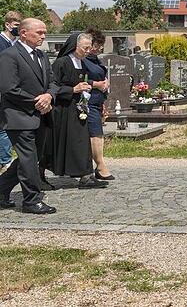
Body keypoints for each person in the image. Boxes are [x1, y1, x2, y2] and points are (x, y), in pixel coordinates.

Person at [0, 18, 59, 214]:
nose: (43, 36)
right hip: (19, 116)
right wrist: (38, 101)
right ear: (23, 33)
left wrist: (49, 95)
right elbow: (9, 89)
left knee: (31, 158)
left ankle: (1, 189)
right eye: (39, 32)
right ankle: (31, 200)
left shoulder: (41, 55)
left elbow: (52, 81)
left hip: (40, 116)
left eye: (44, 32)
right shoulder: (9, 55)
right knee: (28, 159)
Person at [45, 33, 107, 189]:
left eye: (89, 48)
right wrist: (72, 89)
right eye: (85, 48)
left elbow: (84, 81)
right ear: (75, 46)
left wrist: (88, 87)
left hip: (78, 108)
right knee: (56, 144)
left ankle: (86, 176)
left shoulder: (82, 63)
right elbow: (52, 86)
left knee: (82, 141)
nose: (88, 51)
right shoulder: (61, 63)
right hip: (63, 109)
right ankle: (40, 173)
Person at [83, 29, 114, 180]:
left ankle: (96, 167)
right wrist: (97, 84)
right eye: (98, 44)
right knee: (96, 134)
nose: (100, 48)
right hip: (87, 102)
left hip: (97, 101)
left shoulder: (96, 60)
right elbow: (77, 78)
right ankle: (100, 165)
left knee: (97, 133)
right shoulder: (83, 59)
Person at [0, 11, 21, 173]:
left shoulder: (16, 43)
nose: (18, 29)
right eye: (16, 25)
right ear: (8, 25)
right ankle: (5, 160)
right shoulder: (1, 42)